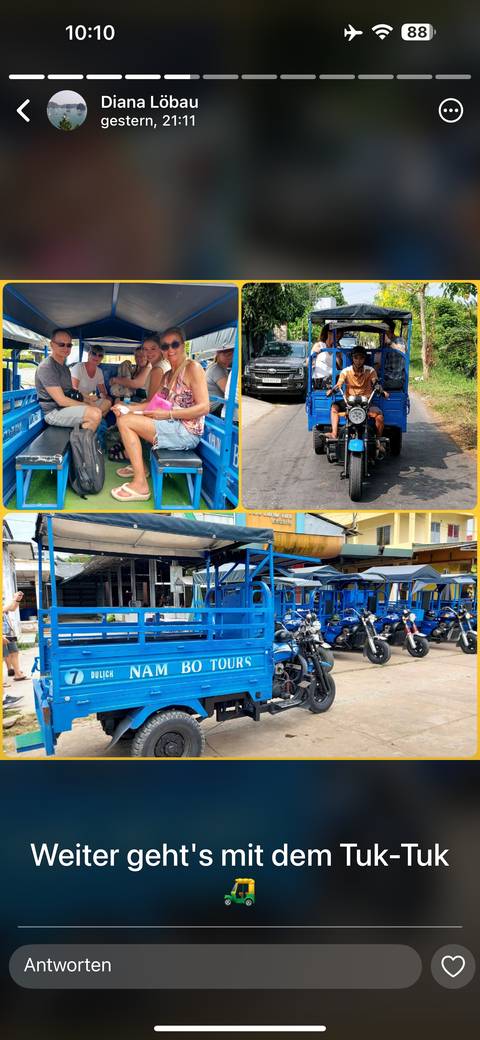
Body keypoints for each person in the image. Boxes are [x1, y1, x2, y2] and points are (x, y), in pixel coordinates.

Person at [110, 327, 210, 501]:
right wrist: (128, 408)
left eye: (174, 344)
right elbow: (152, 404)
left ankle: (141, 485)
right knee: (124, 417)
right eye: (165, 346)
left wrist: (168, 414)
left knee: (126, 422)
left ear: (183, 345)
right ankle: (141, 469)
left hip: (186, 432)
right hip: (172, 426)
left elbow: (204, 407)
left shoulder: (193, 368)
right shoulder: (167, 375)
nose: (170, 350)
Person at [34, 328, 102, 431]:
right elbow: (61, 400)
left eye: (69, 345)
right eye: (61, 344)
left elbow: (70, 391)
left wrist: (87, 399)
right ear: (52, 345)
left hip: (64, 408)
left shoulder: (64, 367)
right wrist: (85, 405)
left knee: (97, 408)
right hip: (53, 412)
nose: (66, 348)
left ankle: (87, 436)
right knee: (94, 414)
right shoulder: (47, 367)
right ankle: (80, 441)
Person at [326, 345, 389, 446]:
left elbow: (375, 382)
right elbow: (339, 384)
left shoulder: (370, 371)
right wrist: (332, 390)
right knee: (334, 407)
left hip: (366, 402)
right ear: (352, 358)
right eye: (356, 358)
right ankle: (334, 433)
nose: (358, 361)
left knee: (380, 417)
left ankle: (378, 441)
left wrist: (381, 390)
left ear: (364, 359)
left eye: (361, 358)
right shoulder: (346, 371)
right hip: (349, 402)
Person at [70, 345, 111, 417]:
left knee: (108, 402)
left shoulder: (99, 371)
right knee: (96, 409)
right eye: (94, 353)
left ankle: (95, 417)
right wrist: (88, 399)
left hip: (90, 400)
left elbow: (103, 391)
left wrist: (102, 396)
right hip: (77, 400)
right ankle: (95, 417)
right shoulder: (79, 367)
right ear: (89, 354)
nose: (97, 357)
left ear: (102, 358)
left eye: (100, 355)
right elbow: (73, 390)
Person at [3, 592, 27, 682]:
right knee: (4, 655)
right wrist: (14, 599)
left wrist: (17, 600)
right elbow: (3, 609)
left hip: (8, 631)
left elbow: (12, 608)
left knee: (14, 652)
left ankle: (18, 674)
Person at [206, 346, 234, 414]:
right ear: (218, 354)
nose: (229, 357)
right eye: (226, 355)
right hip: (215, 407)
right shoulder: (217, 369)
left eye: (231, 354)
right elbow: (228, 392)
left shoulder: (218, 367)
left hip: (215, 405)